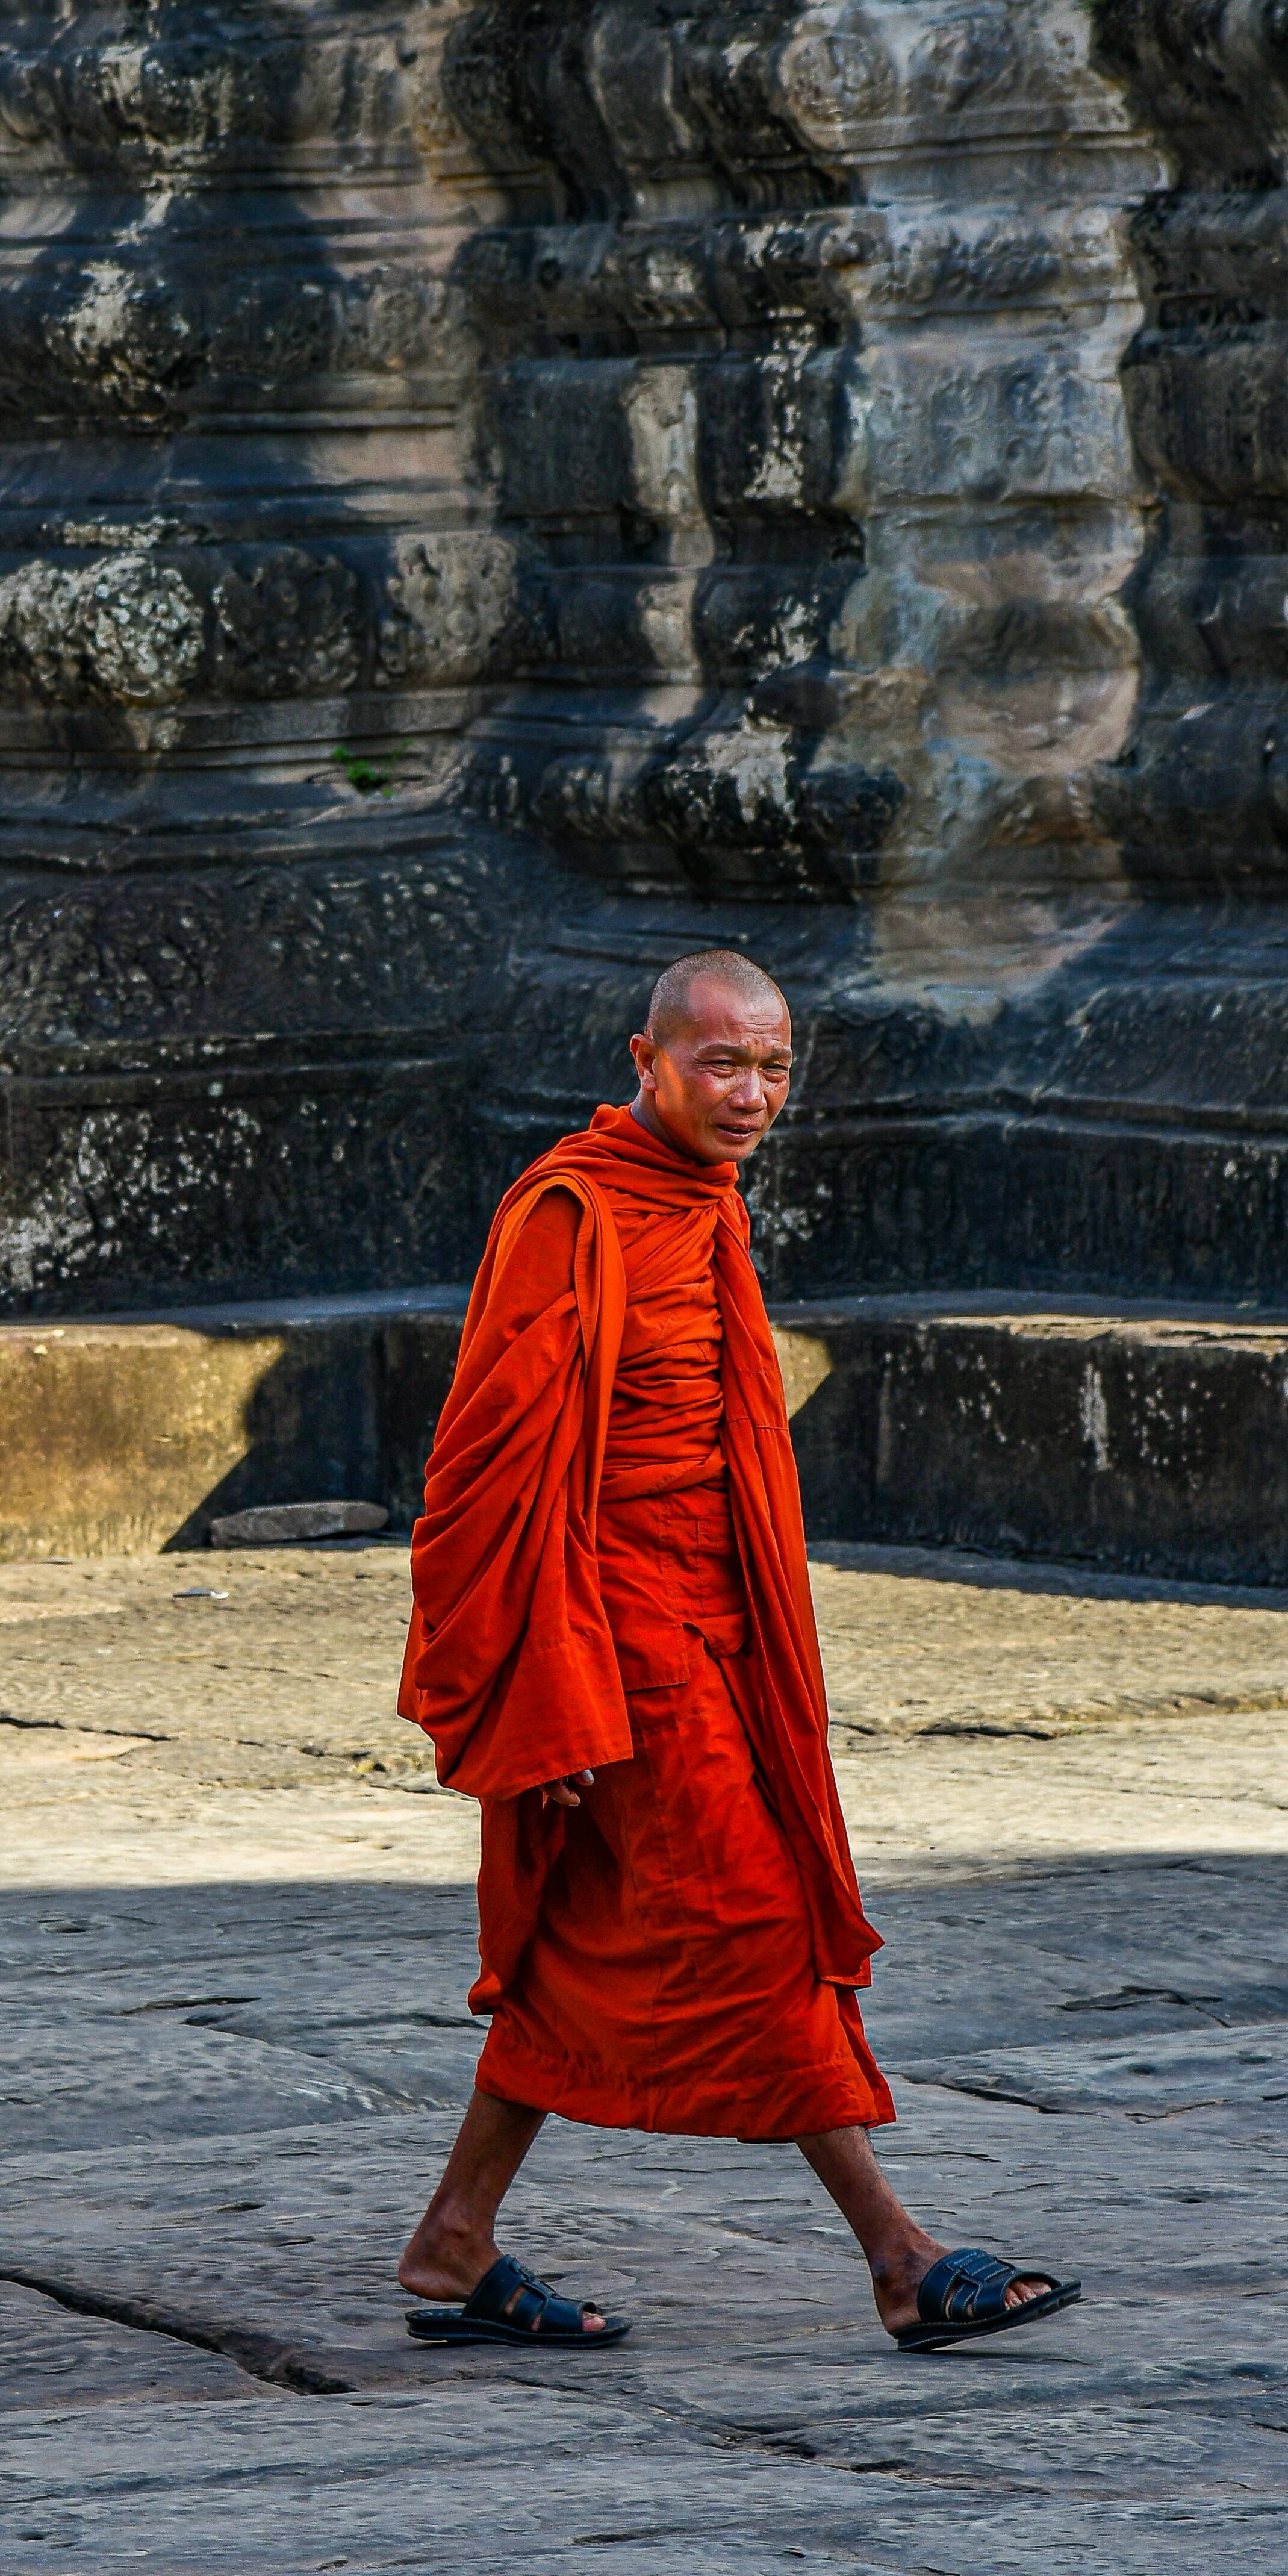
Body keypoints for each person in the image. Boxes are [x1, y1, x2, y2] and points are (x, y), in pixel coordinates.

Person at [396, 951, 1079, 2354]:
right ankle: (899, 2258)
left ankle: (452, 2240)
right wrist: (552, 1694)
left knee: (575, 1942)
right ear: (642, 1060)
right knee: (759, 1928)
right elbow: (481, 1480)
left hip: (718, 1630)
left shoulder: (698, 1205)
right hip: (621, 1647)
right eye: (719, 1065)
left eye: (772, 1067)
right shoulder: (570, 1213)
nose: (750, 1094)